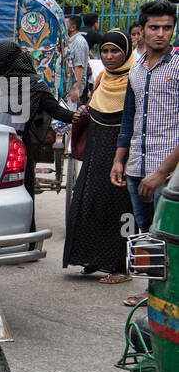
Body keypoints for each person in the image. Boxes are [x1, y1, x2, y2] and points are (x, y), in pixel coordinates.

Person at [112, 0, 179, 306]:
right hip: (137, 164)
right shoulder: (137, 67)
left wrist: (163, 171)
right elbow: (129, 116)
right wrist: (119, 158)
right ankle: (153, 291)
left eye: (167, 27)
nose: (161, 34)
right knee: (147, 233)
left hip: (169, 171)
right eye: (154, 27)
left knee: (171, 235)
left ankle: (171, 294)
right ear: (142, 31)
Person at [64, 29, 135, 284]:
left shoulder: (136, 78)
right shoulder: (102, 77)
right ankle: (91, 258)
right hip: (96, 151)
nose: (109, 56)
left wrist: (124, 158)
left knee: (118, 208)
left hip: (119, 153)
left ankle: (119, 267)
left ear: (126, 52)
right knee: (88, 202)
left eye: (115, 51)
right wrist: (85, 109)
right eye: (104, 50)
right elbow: (97, 105)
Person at [0, 40, 73, 221]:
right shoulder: (1, 83)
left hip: (16, 148)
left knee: (20, 191)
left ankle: (25, 236)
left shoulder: (34, 86)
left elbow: (56, 111)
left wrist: (82, 116)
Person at [65, 14, 90, 109]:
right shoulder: (68, 41)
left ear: (73, 27)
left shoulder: (79, 42)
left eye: (65, 24)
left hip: (71, 89)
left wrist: (75, 88)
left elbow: (79, 66)